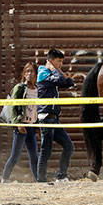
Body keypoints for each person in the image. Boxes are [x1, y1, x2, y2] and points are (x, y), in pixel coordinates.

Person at [36, 48, 78, 182]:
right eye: (58, 61)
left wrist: (57, 70)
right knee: (46, 150)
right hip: (46, 117)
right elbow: (60, 80)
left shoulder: (53, 72)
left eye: (61, 61)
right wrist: (55, 70)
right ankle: (41, 180)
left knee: (68, 146)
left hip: (55, 118)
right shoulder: (43, 73)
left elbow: (70, 82)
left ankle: (62, 176)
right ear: (50, 61)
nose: (60, 64)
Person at [0, 61, 39, 183]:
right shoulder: (20, 88)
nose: (29, 74)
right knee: (15, 156)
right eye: (27, 71)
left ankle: (38, 179)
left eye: (32, 71)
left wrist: (37, 124)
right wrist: (17, 123)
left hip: (31, 126)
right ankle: (4, 179)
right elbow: (13, 106)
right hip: (21, 126)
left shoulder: (37, 89)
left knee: (34, 156)